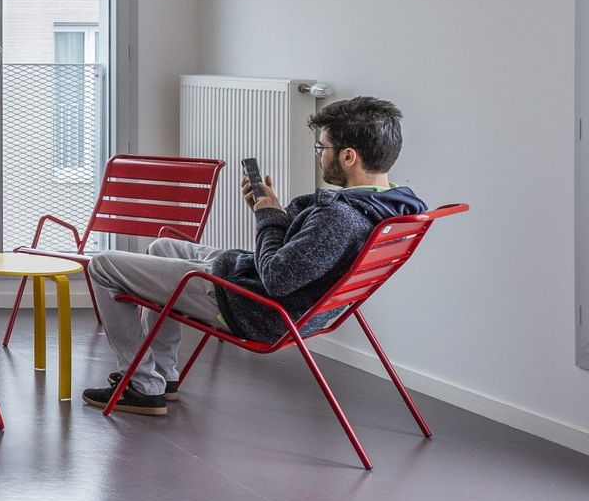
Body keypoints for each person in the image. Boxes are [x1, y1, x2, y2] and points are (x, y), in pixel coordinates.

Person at [82, 96, 426, 415]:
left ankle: (142, 386)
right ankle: (163, 374)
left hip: (252, 308)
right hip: (269, 294)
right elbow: (303, 256)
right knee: (162, 248)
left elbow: (277, 278)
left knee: (102, 265)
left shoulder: (341, 217)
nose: (319, 154)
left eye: (322, 147)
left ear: (349, 157)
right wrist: (272, 211)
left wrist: (267, 216)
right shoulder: (390, 205)